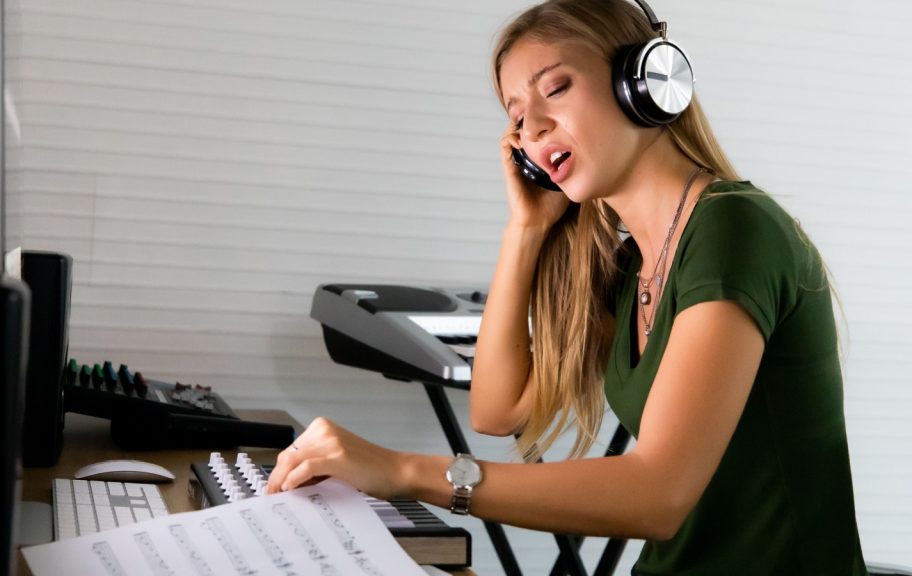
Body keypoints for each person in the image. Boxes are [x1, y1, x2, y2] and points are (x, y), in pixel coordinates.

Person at [268, 0, 868, 573]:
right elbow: (497, 410)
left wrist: (401, 470)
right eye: (517, 116)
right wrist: (526, 228)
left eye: (555, 87)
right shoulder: (635, 266)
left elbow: (657, 493)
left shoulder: (734, 228)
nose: (534, 125)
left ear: (646, 84)